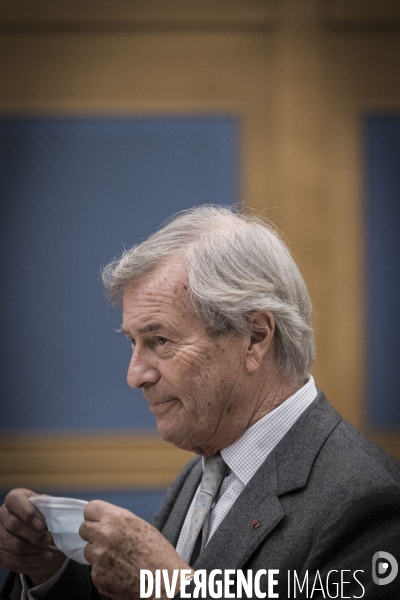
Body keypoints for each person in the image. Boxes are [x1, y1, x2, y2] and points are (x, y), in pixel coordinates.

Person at [1, 205, 400, 600]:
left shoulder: (369, 500)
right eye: (132, 342)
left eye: (161, 341)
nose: (135, 375)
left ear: (255, 337)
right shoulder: (204, 472)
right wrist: (49, 570)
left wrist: (173, 589)